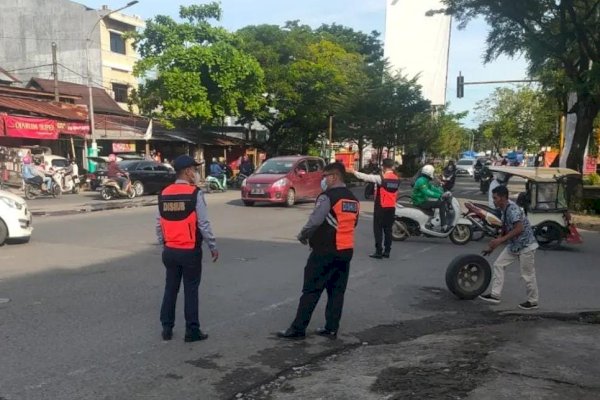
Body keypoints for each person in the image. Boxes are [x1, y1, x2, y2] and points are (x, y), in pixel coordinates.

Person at [277, 162, 360, 340]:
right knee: (336, 292)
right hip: (345, 251)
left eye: (325, 176)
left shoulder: (328, 196)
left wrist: (303, 235)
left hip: (325, 251)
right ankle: (331, 328)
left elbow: (315, 221)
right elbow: (354, 223)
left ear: (334, 177)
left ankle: (298, 329)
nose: (323, 180)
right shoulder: (353, 199)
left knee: (311, 290)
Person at [156, 155, 219, 342]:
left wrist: (164, 244)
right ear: (188, 171)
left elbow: (159, 225)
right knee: (191, 290)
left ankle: (166, 328)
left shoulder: (164, 193)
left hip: (170, 251)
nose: (196, 173)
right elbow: (204, 224)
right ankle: (192, 331)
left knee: (170, 288)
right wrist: (212, 246)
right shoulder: (195, 193)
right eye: (195, 169)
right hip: (189, 250)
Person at [479, 185, 539, 310]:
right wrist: (493, 246)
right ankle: (495, 295)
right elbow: (505, 229)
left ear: (503, 198)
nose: (494, 201)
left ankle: (533, 301)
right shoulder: (504, 209)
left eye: (495, 198)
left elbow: (519, 228)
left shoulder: (512, 209)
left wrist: (500, 240)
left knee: (527, 275)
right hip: (514, 245)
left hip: (525, 245)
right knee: (498, 265)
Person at [353, 158, 400, 259]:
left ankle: (379, 251)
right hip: (391, 207)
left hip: (381, 207)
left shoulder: (381, 178)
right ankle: (387, 251)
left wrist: (353, 172)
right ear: (392, 166)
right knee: (388, 230)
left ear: (383, 166)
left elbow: (366, 177)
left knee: (378, 229)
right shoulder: (396, 178)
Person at [412, 164, 448, 232]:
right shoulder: (421, 181)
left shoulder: (424, 180)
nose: (433, 174)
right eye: (433, 172)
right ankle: (444, 225)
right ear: (429, 173)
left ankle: (429, 224)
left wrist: (441, 192)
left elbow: (432, 188)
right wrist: (440, 196)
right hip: (420, 201)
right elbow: (427, 192)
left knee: (433, 210)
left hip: (422, 200)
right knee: (441, 204)